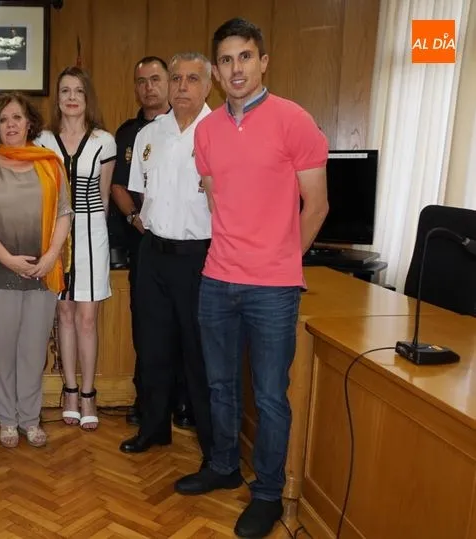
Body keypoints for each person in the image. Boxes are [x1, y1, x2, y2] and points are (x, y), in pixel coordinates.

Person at [173, 18, 329, 539]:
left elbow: (318, 206)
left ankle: (266, 494)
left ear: (263, 62)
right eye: (226, 60)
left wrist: (282, 260)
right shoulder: (209, 130)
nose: (235, 68)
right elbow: (218, 202)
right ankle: (221, 466)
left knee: (268, 395)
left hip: (273, 288)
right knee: (219, 386)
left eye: (245, 57)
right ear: (215, 71)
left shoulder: (294, 120)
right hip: (217, 278)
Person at [120, 52, 214, 458]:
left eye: (192, 79)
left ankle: (214, 447)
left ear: (209, 85)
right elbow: (139, 191)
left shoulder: (221, 131)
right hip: (154, 253)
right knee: (153, 346)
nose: (181, 86)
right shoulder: (149, 134)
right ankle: (155, 428)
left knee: (200, 353)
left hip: (201, 257)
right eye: (176, 78)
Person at [0, 92, 72, 448]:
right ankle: (7, 418)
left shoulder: (50, 164)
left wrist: (51, 256)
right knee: (1, 352)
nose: (11, 125)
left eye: (17, 117)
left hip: (43, 273)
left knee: (32, 350)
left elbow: (64, 213)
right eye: (3, 120)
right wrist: (8, 259)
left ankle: (30, 418)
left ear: (30, 123)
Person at [110, 57, 192, 428]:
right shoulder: (131, 134)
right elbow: (119, 186)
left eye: (156, 79)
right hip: (145, 246)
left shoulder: (194, 128)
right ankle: (148, 404)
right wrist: (134, 219)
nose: (149, 87)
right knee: (149, 329)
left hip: (191, 248)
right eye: (141, 81)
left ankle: (185, 402)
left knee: (188, 329)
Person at [35, 66, 115, 431]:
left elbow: (103, 196)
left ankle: (87, 393)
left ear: (87, 98)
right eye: (64, 90)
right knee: (63, 315)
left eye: (78, 91)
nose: (71, 97)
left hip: (91, 233)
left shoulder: (104, 140)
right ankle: (68, 389)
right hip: (55, 237)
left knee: (86, 317)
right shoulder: (42, 141)